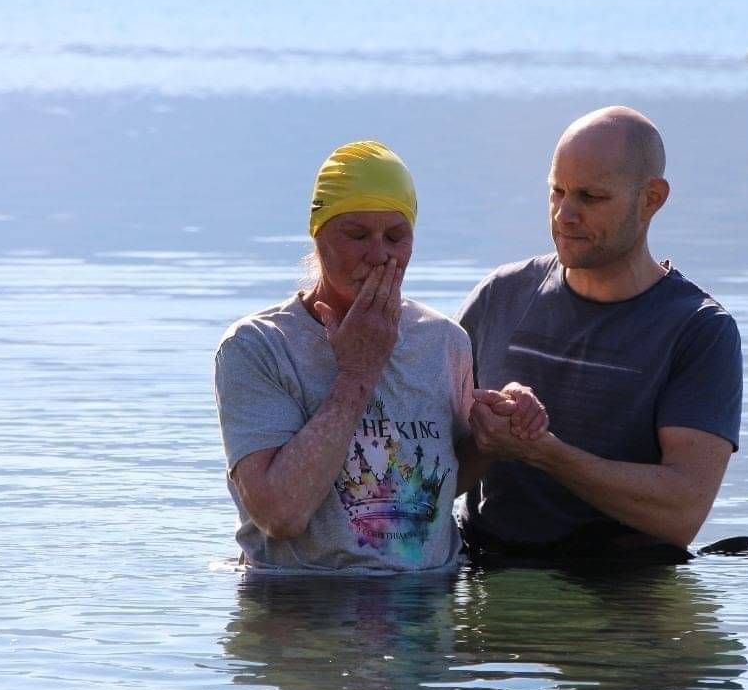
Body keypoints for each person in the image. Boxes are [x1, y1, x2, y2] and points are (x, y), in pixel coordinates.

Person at [214, 140, 545, 573]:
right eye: (356, 235)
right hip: (305, 598)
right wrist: (358, 371)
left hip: (423, 599)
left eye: (395, 236)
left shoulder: (444, 341)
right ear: (318, 233)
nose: (378, 255)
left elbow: (441, 482)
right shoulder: (258, 346)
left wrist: (493, 437)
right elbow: (280, 516)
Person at [458, 106, 743, 563]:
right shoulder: (500, 296)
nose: (564, 214)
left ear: (651, 199)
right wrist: (492, 431)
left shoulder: (699, 330)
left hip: (619, 586)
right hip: (486, 568)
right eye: (557, 191)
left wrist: (544, 452)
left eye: (590, 197)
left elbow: (682, 513)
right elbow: (426, 467)